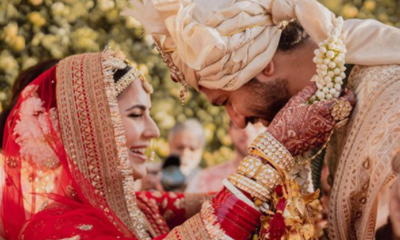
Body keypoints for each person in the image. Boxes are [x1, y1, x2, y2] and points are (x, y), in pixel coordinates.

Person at [0, 49, 353, 240]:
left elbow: (224, 210)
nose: (154, 131)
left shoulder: (136, 208)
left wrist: (295, 159)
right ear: (90, 131)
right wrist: (275, 149)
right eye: (137, 115)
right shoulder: (50, 230)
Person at [124, 0, 400, 238]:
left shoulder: (390, 99)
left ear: (262, 66)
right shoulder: (324, 119)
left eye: (226, 102)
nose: (238, 121)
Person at [197, 121, 265, 192]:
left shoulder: (273, 177)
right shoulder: (208, 177)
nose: (246, 131)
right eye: (239, 127)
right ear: (230, 131)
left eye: (253, 125)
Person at [167, 119, 205, 192]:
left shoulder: (209, 181)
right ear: (170, 146)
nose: (185, 153)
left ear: (200, 151)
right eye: (180, 147)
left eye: (192, 149)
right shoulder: (152, 175)